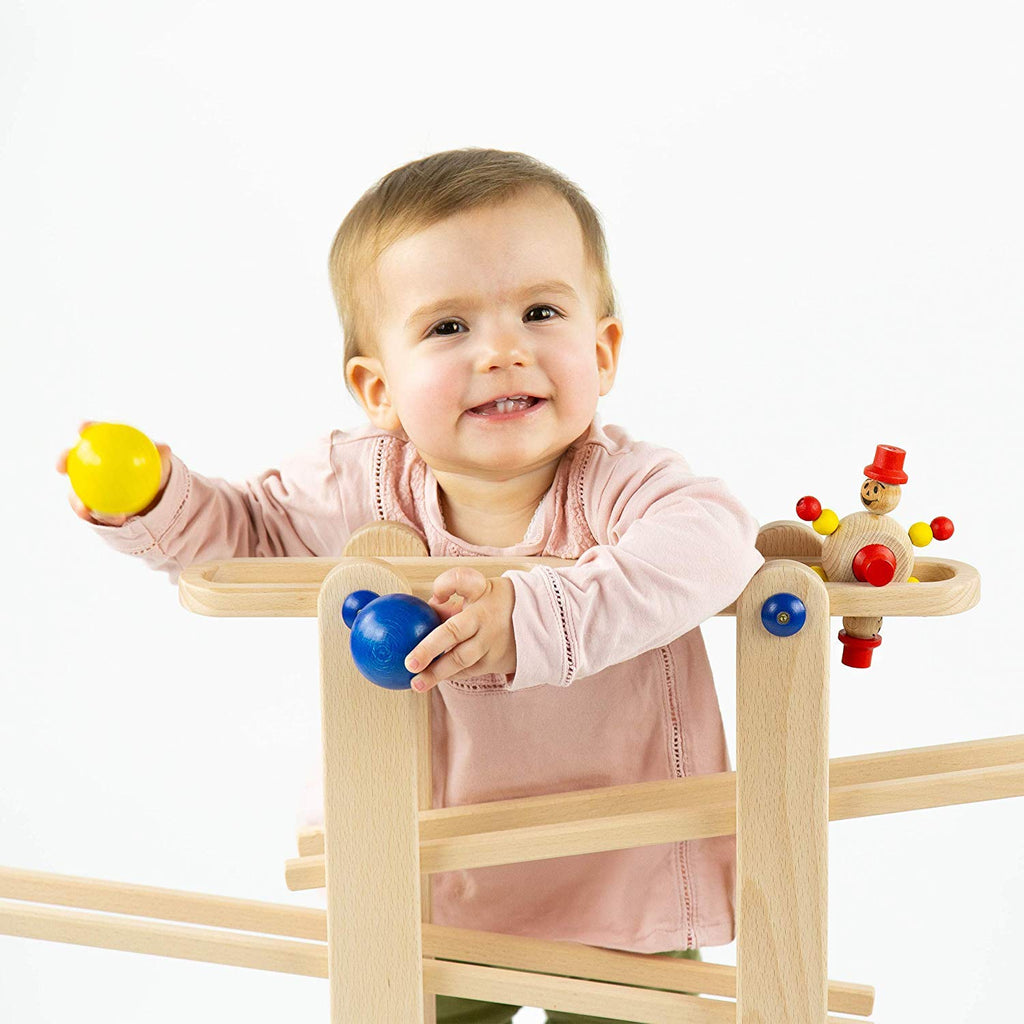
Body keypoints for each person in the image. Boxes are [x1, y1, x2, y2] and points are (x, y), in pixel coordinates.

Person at [57, 147, 765, 1023]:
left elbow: (714, 544)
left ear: (603, 349)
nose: (503, 351)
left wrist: (537, 617)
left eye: (539, 311)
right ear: (377, 387)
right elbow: (242, 538)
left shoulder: (625, 486)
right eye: (448, 328)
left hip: (622, 873)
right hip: (427, 875)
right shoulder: (358, 485)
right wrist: (158, 498)